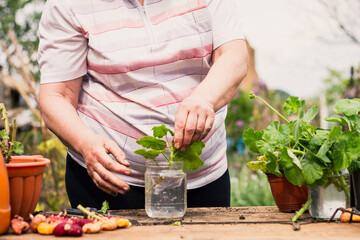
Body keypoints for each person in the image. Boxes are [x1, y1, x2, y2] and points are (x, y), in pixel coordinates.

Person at [37, 0, 248, 210]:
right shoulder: (67, 4)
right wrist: (85, 142)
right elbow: (57, 95)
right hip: (111, 181)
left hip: (204, 179)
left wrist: (204, 98)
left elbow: (233, 55)